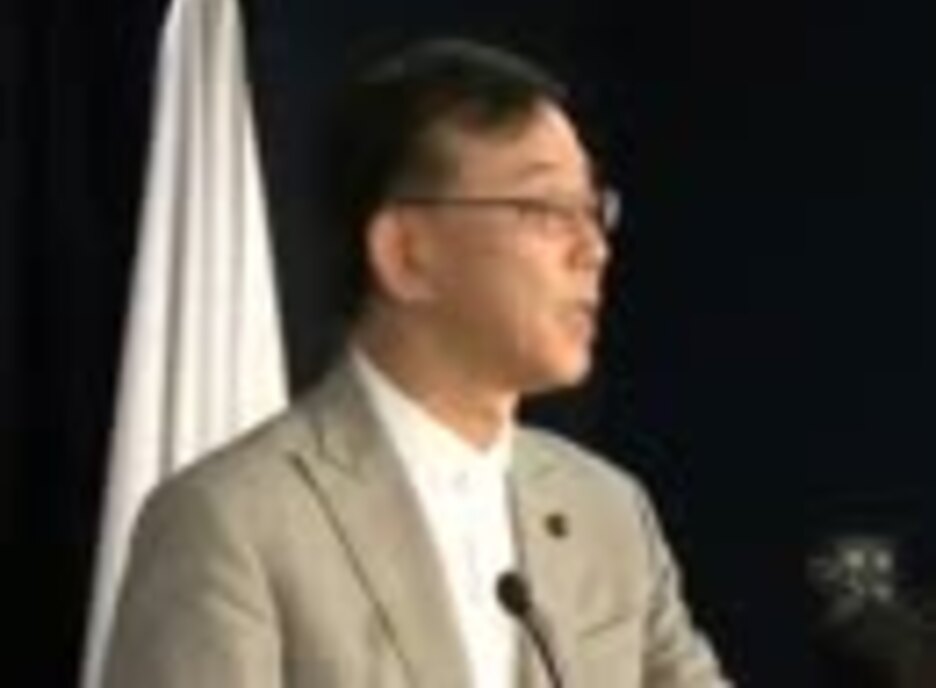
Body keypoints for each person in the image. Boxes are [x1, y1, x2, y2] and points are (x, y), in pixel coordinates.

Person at [102, 37, 731, 688]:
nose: (592, 249)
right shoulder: (231, 525)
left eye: (594, 209)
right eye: (545, 210)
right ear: (405, 253)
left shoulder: (608, 513)